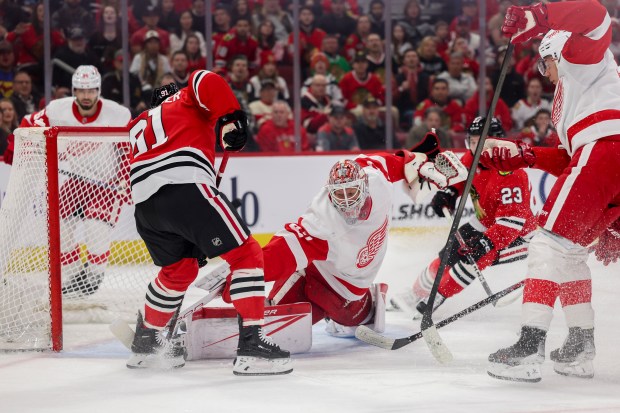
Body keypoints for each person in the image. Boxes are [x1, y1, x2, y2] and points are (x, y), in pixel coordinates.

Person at [484, 0, 620, 383]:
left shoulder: (580, 58)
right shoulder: (573, 100)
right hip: (605, 158)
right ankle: (580, 345)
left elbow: (595, 15)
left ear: (557, 51)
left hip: (606, 151)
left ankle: (529, 347)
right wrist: (525, 155)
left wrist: (538, 15)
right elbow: (568, 160)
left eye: (545, 64)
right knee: (571, 251)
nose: (544, 73)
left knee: (546, 244)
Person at [125, 71, 292, 375]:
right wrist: (232, 118)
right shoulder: (185, 98)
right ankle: (252, 346)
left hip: (145, 205)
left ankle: (147, 342)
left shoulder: (138, 123)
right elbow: (204, 78)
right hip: (185, 183)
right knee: (247, 254)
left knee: (179, 270)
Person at [263, 132, 467, 337]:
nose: (345, 203)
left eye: (350, 193)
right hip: (319, 272)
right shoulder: (324, 220)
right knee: (276, 327)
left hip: (350, 289)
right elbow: (285, 249)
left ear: (364, 187)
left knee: (344, 313)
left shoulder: (376, 180)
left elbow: (394, 163)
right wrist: (249, 271)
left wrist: (419, 161)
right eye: (338, 195)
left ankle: (366, 305)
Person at [3, 65, 132, 297]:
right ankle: (72, 275)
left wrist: (126, 178)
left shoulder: (117, 114)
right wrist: (15, 150)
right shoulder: (58, 109)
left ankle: (93, 275)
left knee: (96, 232)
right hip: (74, 182)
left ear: (99, 90)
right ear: (73, 90)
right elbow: (28, 123)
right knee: (59, 230)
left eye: (91, 91)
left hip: (106, 183)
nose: (85, 96)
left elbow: (128, 149)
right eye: (81, 91)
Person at [391, 117, 535, 316]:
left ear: (496, 142)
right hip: (484, 224)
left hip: (518, 236)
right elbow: (459, 180)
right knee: (447, 255)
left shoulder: (511, 172)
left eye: (481, 142)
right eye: (473, 141)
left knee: (476, 257)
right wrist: (448, 194)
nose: (475, 147)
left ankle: (437, 297)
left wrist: (485, 243)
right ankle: (416, 293)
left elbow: (510, 225)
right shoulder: (472, 158)